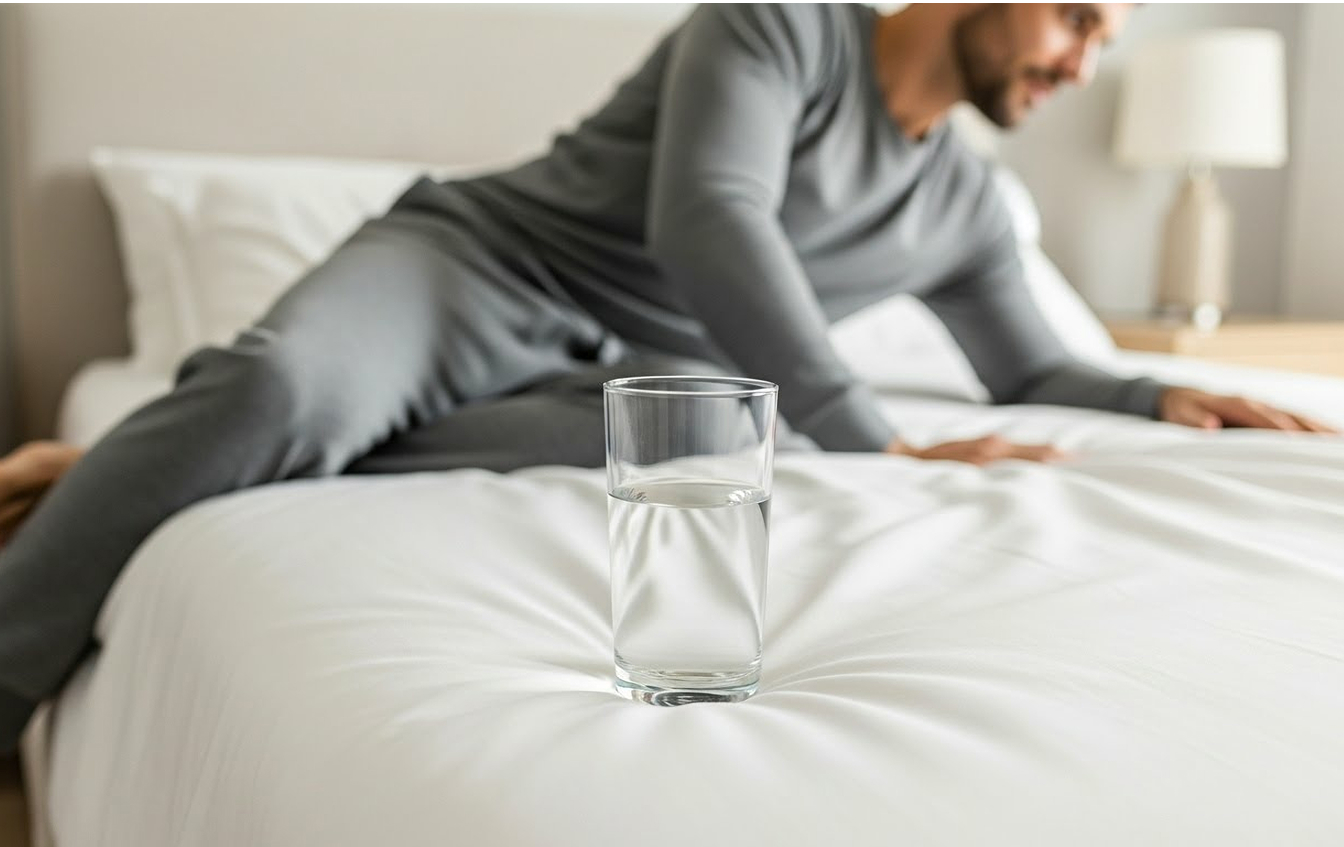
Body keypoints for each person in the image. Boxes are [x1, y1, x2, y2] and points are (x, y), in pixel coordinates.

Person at [0, 3, 1332, 752]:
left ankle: (161, 454)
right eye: (1072, 17)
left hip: (634, 380)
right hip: (478, 272)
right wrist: (875, 438)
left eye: (1104, 41)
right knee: (284, 394)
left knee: (761, 453)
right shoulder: (779, 27)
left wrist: (1155, 397)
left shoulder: (967, 203)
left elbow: (1031, 364)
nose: (1080, 62)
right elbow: (712, 218)